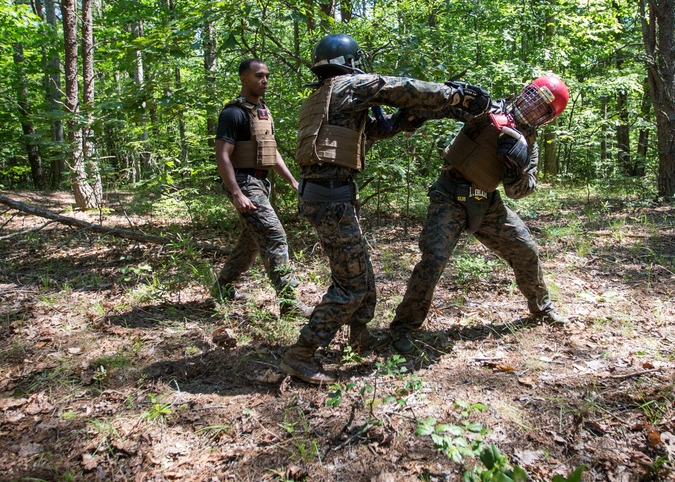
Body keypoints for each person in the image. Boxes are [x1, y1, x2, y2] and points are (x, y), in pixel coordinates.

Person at [278, 33, 492, 384]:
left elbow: (362, 133)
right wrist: (456, 95)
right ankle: (301, 353)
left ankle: (359, 335)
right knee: (351, 284)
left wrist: (398, 126)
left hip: (327, 196)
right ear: (350, 63)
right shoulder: (349, 85)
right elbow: (399, 87)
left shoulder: (322, 97)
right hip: (331, 200)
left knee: (360, 270)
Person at [389, 74, 571, 355]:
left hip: (487, 202)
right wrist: (411, 115)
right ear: (524, 93)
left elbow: (520, 189)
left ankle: (542, 307)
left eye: (541, 109)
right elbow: (445, 105)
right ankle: (403, 327)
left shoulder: (529, 143)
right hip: (450, 194)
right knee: (434, 259)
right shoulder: (488, 110)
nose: (532, 108)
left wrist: (518, 166)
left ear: (545, 118)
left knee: (526, 250)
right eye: (533, 98)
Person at [213, 58, 309, 317]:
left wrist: (292, 181)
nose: (264, 80)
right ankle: (289, 303)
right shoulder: (233, 113)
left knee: (251, 243)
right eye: (258, 75)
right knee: (274, 236)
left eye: (266, 75)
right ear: (244, 79)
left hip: (260, 183)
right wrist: (236, 193)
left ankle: (222, 288)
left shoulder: (262, 111)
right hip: (244, 183)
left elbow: (271, 152)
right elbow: (222, 155)